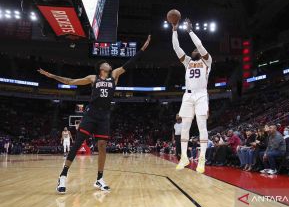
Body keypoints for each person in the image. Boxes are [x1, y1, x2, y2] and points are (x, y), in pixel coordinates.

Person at [38, 35, 151, 194]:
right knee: (77, 143)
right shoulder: (93, 78)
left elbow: (130, 63)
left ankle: (99, 178)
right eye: (106, 63)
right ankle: (63, 175)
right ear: (101, 68)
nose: (109, 63)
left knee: (103, 146)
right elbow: (71, 81)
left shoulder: (115, 75)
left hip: (104, 116)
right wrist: (52, 76)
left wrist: (142, 49)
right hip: (91, 114)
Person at [171, 18, 212, 174]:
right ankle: (184, 158)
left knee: (202, 125)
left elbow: (200, 45)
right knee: (184, 128)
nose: (194, 50)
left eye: (196, 50)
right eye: (193, 49)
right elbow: (176, 47)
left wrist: (189, 31)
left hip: (201, 94)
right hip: (187, 96)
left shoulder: (208, 61)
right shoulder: (187, 61)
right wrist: (174, 30)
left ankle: (201, 158)